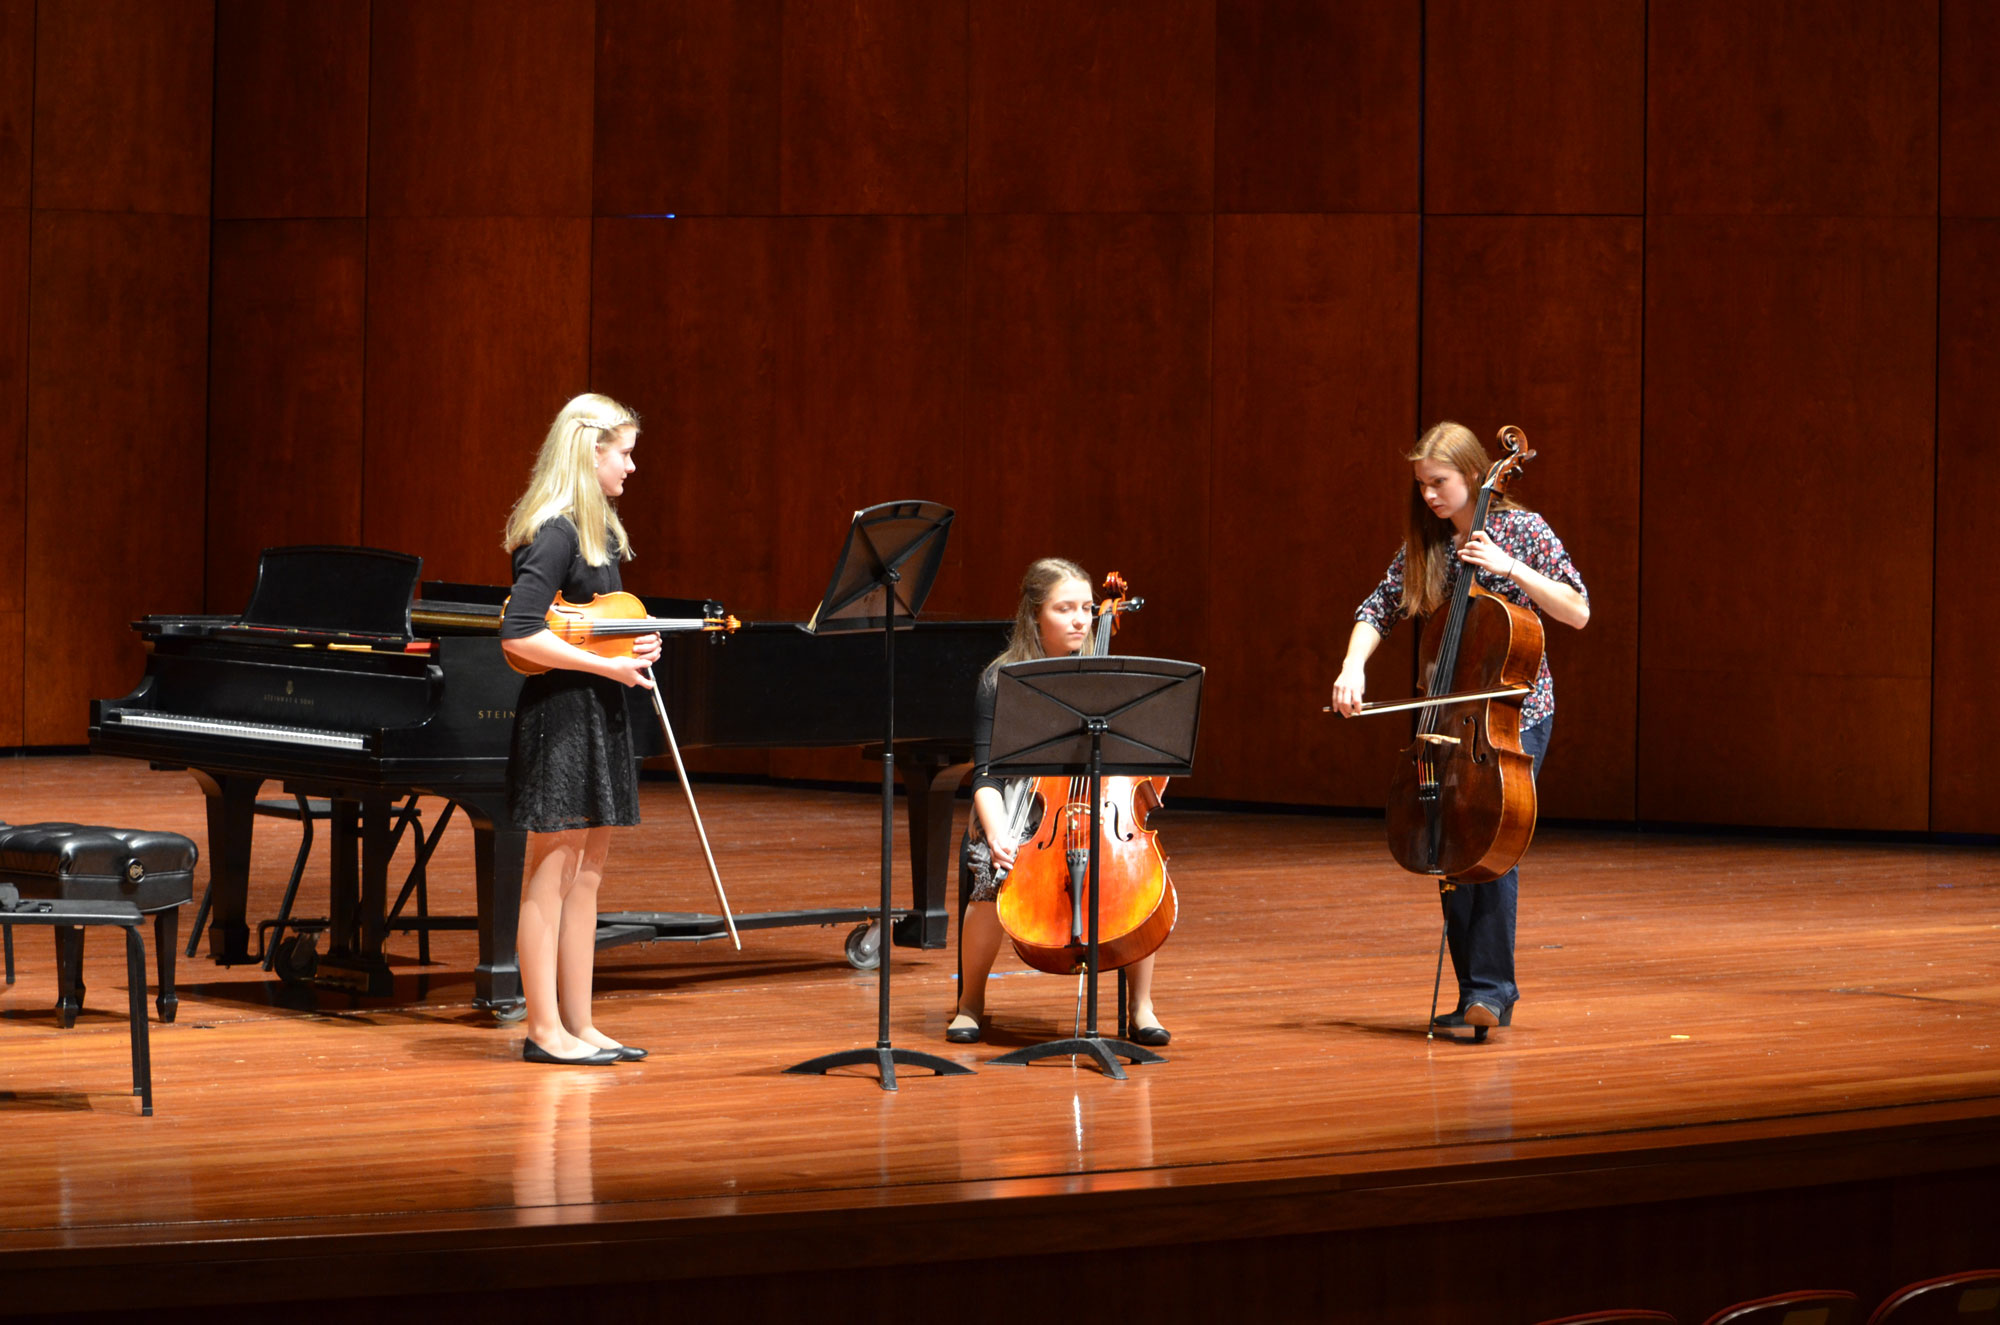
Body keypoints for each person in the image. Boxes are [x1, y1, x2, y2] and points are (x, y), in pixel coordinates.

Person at [1330, 421, 1589, 1032]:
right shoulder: (1429, 546)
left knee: (1491, 840)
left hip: (1517, 711)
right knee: (1446, 839)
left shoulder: (1524, 530)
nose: (1429, 496)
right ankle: (1476, 990)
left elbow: (1577, 610)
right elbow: (1379, 609)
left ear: (1475, 474)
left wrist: (1511, 568)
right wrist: (1351, 667)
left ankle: (1493, 990)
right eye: (1421, 485)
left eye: (1438, 482)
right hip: (1450, 716)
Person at [947, 558, 1170, 1048]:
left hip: (1098, 806)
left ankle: (1142, 1006)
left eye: (1087, 609)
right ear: (1035, 616)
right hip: (1020, 805)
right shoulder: (1002, 680)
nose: (1079, 619)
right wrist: (999, 831)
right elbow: (985, 776)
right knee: (990, 869)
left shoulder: (1113, 678)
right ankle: (971, 1002)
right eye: (1064, 608)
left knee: (1134, 876)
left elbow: (1150, 759)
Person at [498, 393, 660, 1065]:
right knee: (553, 865)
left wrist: (633, 649)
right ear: (590, 451)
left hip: (600, 710)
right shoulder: (557, 529)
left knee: (588, 872)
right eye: (623, 452)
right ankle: (543, 1029)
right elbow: (520, 631)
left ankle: (581, 1023)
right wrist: (602, 660)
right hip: (563, 716)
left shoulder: (595, 532)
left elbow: (597, 621)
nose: (629, 466)